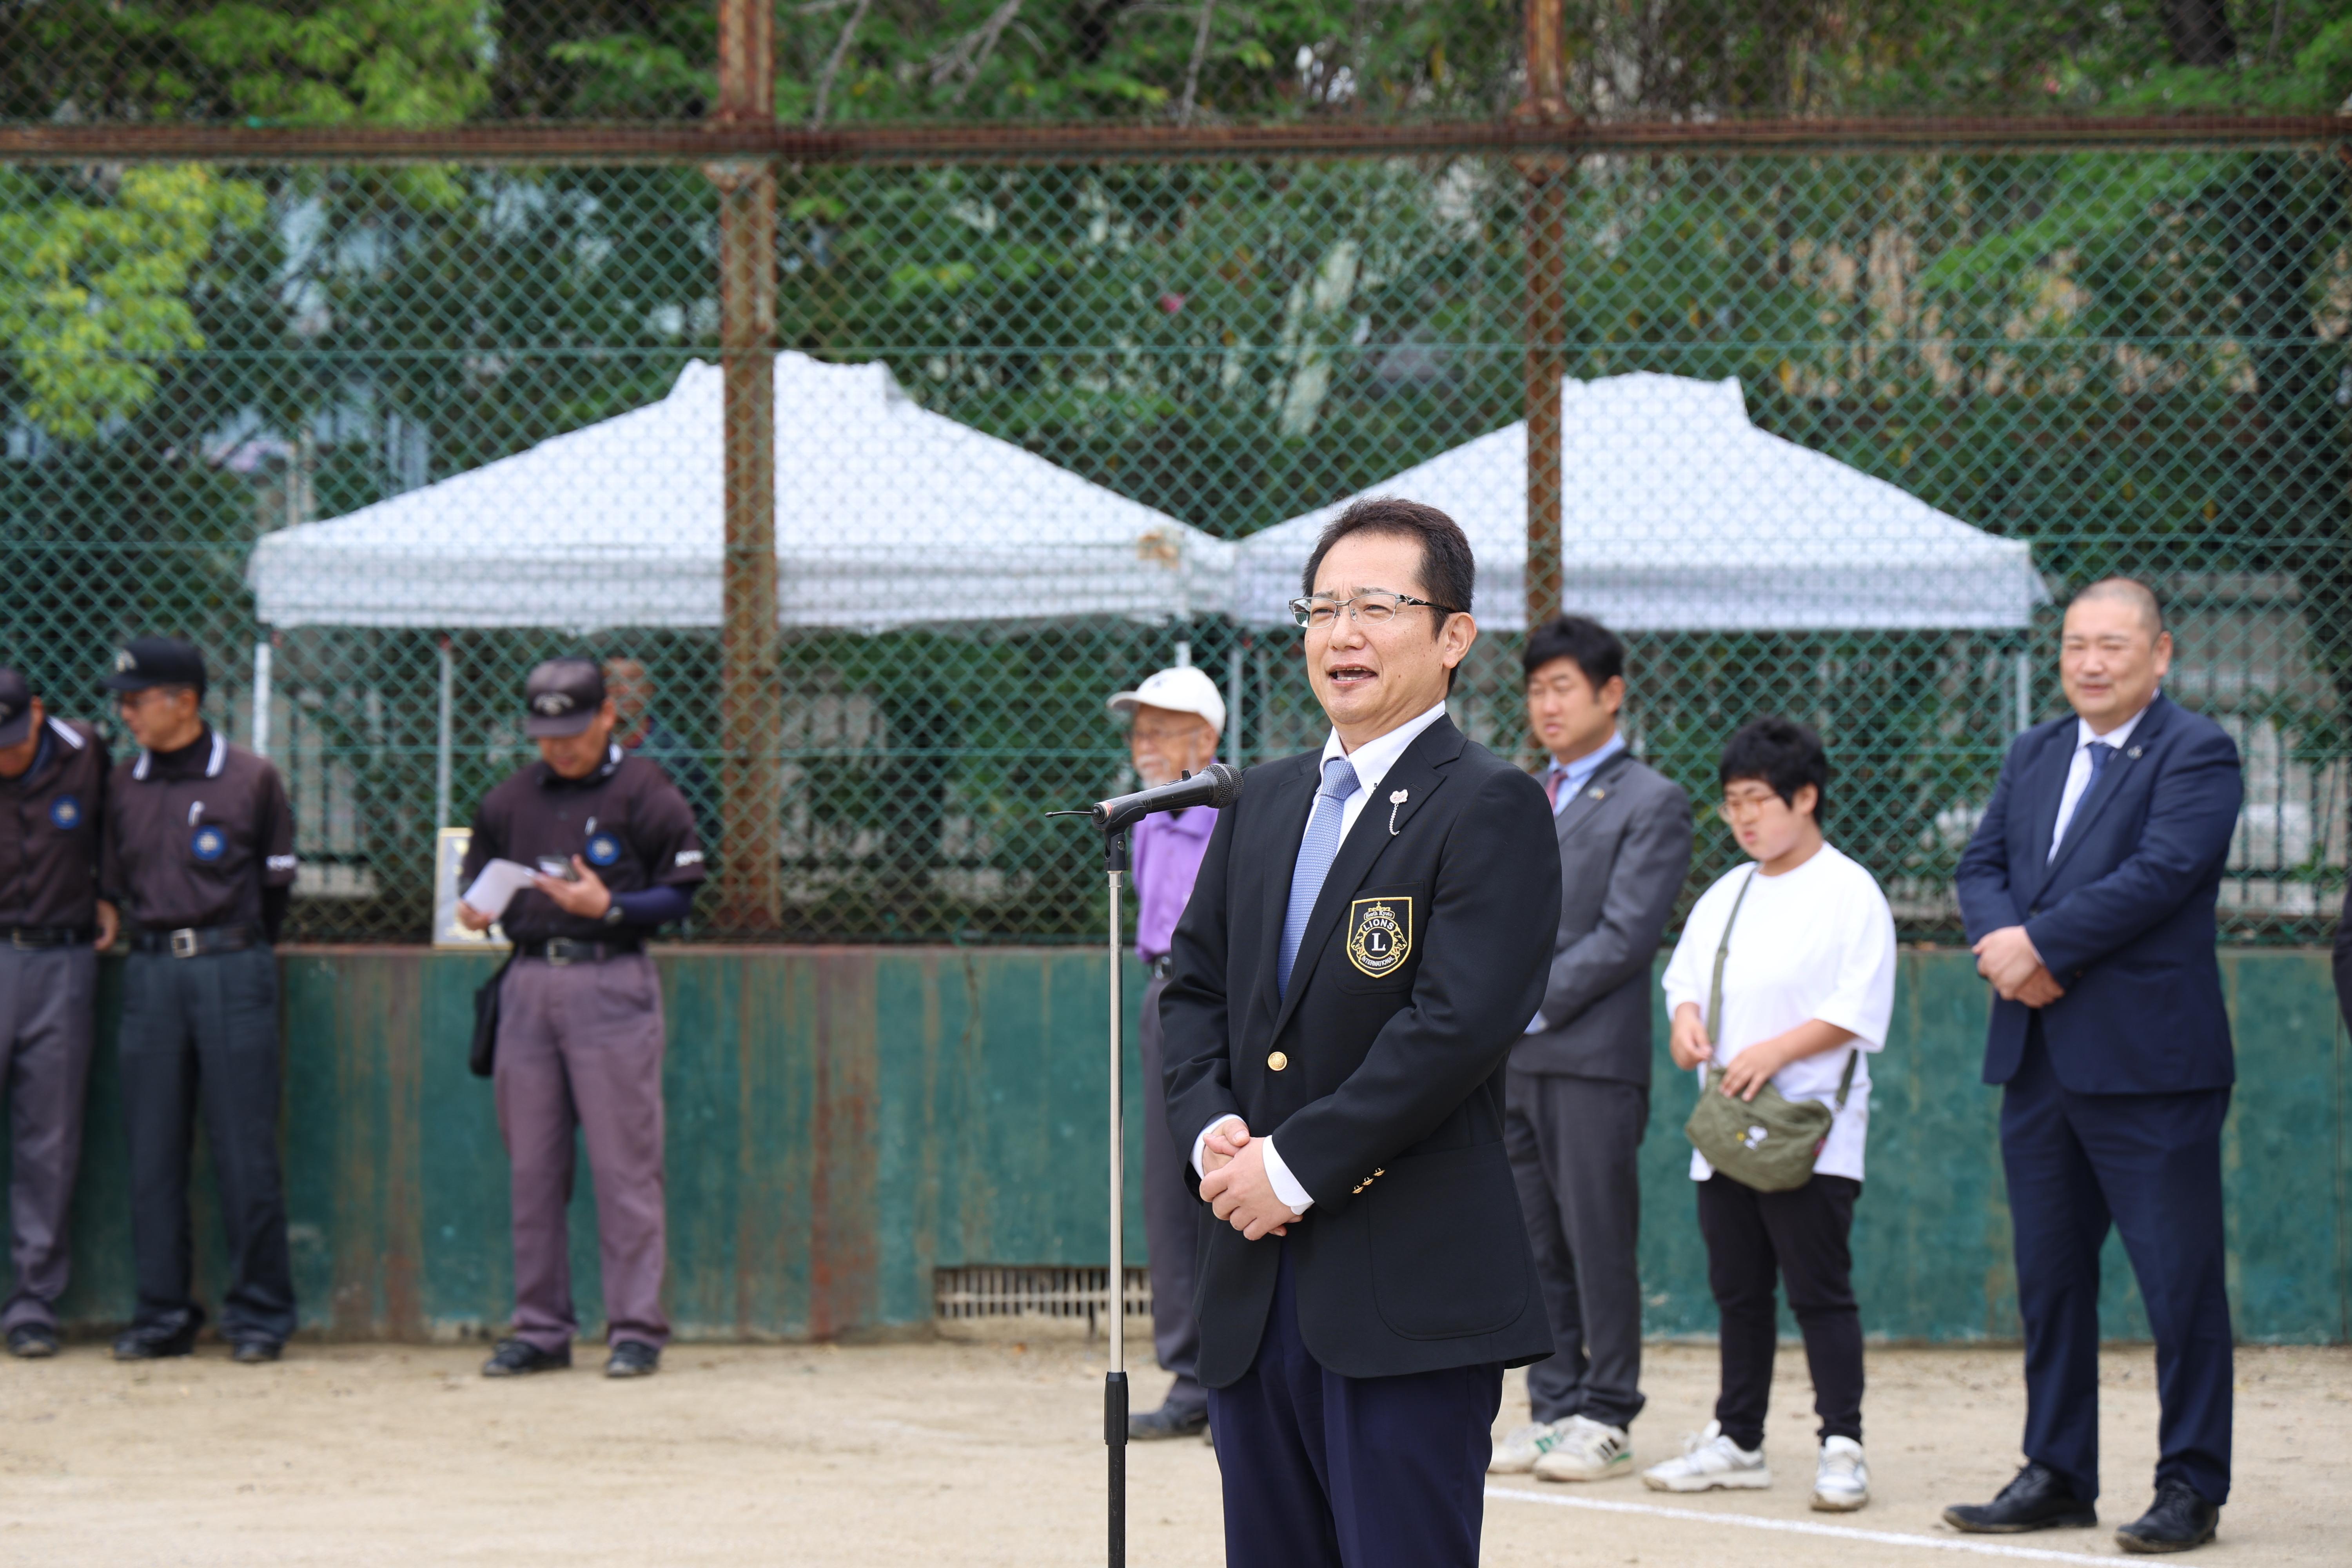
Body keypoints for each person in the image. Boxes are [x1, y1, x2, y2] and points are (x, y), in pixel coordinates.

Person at [1160, 497, 1561, 1568]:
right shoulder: (1262, 799)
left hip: (1405, 1293)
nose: (1343, 635)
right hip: (1253, 1284)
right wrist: (1215, 1141)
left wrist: (1294, 1166)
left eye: (1378, 607)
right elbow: (1192, 990)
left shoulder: (1490, 806)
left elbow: (1456, 1028)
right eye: (1323, 608)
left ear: (1453, 636)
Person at [1948, 578, 2242, 1555]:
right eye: (2076, 642)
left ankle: (2190, 1483)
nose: (2090, 661)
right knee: (2052, 1282)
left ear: (2160, 654)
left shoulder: (2196, 751)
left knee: (2179, 1285)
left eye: (2113, 644)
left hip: (2151, 1069)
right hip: (2038, 1063)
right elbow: (1979, 863)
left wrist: (2040, 948)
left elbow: (2162, 873)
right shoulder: (2034, 750)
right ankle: (2058, 1470)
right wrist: (2004, 942)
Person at [1645, 717, 1893, 1513]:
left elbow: (1858, 1007)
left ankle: (1842, 1444)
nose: (1745, 817)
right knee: (1739, 1289)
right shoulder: (1731, 890)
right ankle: (1738, 1438)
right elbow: (1682, 976)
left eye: (1759, 800)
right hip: (1724, 1128)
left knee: (1820, 1290)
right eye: (1733, 803)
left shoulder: (1851, 890)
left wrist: (1778, 1050)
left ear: (1807, 796)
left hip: (1809, 1129)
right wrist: (1686, 1019)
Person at [458, 657, 706, 1379]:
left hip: (612, 978)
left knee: (625, 1167)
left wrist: (614, 908)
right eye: (544, 732)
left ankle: (635, 1330)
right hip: (529, 983)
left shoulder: (646, 789)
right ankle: (540, 1330)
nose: (559, 746)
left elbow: (683, 891)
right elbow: (473, 886)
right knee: (533, 1168)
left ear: (607, 717)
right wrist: (474, 911)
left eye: (573, 729)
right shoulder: (508, 800)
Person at [1491, 617, 1692, 1483]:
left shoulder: (1652, 799)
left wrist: (1518, 1003)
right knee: (1534, 1241)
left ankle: (1608, 1409)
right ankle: (1554, 1404)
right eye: (1537, 689)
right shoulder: (1525, 791)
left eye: (1564, 686)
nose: (1547, 704)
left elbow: (1626, 935)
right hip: (1514, 1060)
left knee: (1597, 1237)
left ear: (1612, 694)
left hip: (1592, 1057)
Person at [99, 636, 300, 1363]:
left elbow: (278, 888)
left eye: (136, 699)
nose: (125, 713)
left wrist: (237, 947)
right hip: (151, 971)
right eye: (120, 700)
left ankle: (260, 1316)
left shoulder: (250, 778)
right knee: (152, 1147)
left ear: (184, 701)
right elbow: (112, 879)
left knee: (244, 1146)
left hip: (230, 964)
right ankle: (161, 1313)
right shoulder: (122, 782)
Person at [1107, 662, 1227, 1441]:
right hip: (1160, 996)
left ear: (1205, 739)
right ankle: (1189, 1375)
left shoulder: (1235, 816)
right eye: (1140, 728)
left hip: (1219, 1004)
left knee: (1223, 1182)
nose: (1144, 743)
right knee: (1163, 1188)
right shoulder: (1143, 819)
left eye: (1162, 728)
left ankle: (1235, 1376)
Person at [0, 667, 115, 1358]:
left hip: (62, 956)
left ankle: (34, 1300)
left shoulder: (86, 749)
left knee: (51, 1133)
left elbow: (118, 826)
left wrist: (110, 892)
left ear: (38, 714)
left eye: (11, 741)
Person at [603, 657, 718, 836]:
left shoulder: (676, 751)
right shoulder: (587, 748)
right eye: (613, 681)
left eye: (633, 680)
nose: (623, 690)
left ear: (649, 689)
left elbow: (705, 820)